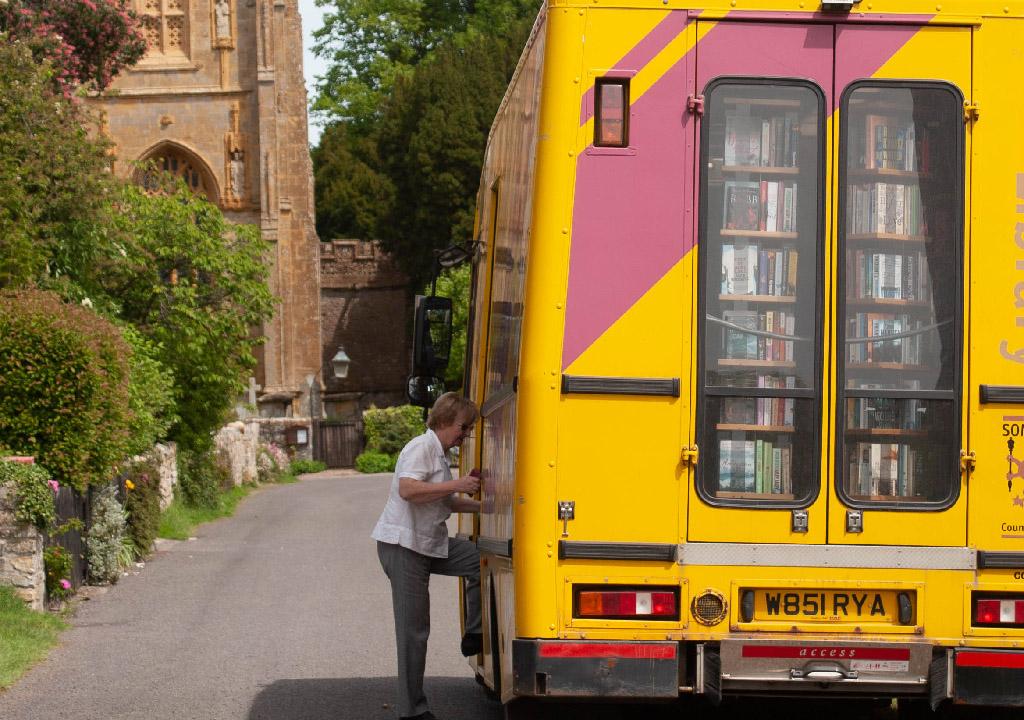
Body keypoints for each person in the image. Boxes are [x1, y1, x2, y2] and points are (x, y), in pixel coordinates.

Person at [372, 392, 483, 720]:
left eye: (469, 430)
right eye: (464, 428)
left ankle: (474, 633)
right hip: (404, 547)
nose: (465, 435)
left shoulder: (440, 454)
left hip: (428, 543)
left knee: (480, 558)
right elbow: (408, 490)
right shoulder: (422, 447)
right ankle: (412, 711)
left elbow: (447, 503)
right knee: (414, 631)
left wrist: (489, 506)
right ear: (447, 420)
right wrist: (458, 484)